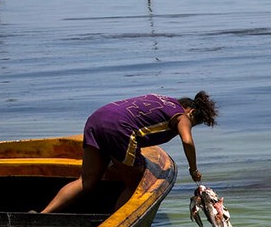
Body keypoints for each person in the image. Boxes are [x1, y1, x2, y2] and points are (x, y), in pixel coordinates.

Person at [41, 91, 218, 213]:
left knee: (86, 182)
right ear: (191, 111)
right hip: (120, 130)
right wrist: (193, 169)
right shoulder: (182, 116)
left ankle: (43, 213)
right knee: (136, 183)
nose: (188, 126)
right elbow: (187, 141)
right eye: (193, 123)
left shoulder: (163, 100)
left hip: (97, 119)